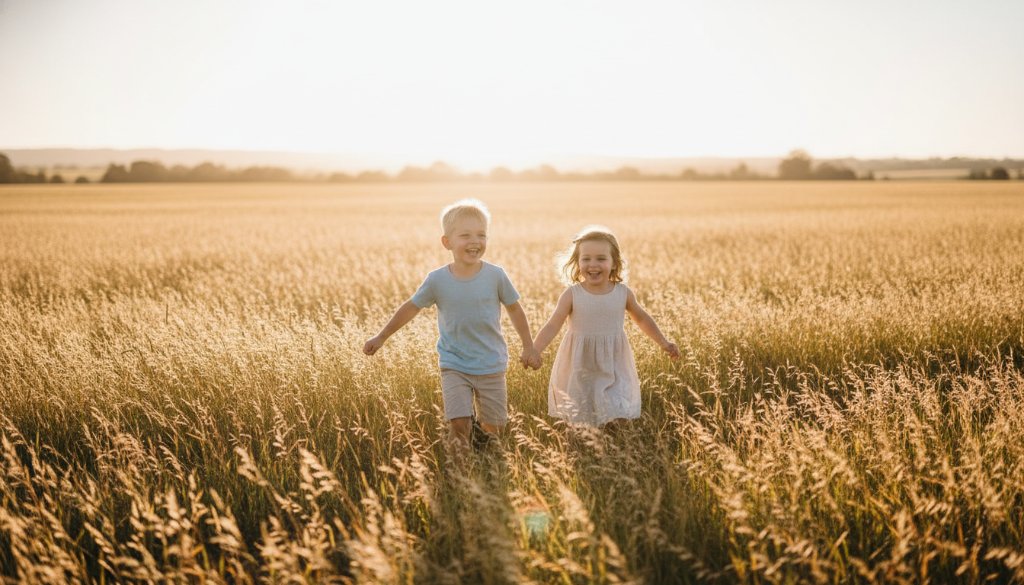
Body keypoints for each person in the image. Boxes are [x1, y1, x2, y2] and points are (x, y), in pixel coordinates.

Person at [363, 199, 540, 450]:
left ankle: (489, 466)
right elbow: (411, 307)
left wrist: (528, 346)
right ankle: (460, 478)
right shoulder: (437, 280)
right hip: (454, 364)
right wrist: (381, 337)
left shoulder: (495, 275)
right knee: (459, 424)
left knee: (495, 430)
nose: (474, 241)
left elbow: (515, 309)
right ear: (447, 242)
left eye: (481, 235)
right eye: (465, 235)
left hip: (491, 364)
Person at [532, 225, 680, 427]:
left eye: (601, 258)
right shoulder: (572, 294)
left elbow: (642, 318)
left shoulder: (622, 293)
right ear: (577, 263)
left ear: (614, 263)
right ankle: (576, 453)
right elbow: (553, 324)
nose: (593, 264)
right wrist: (535, 350)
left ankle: (614, 453)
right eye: (586, 259)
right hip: (580, 363)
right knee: (579, 416)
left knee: (617, 412)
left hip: (614, 363)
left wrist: (663, 342)